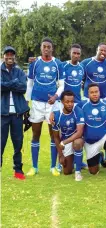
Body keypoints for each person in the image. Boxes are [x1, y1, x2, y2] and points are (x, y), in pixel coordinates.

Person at [26, 37, 65, 176]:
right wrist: (26, 102)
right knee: (35, 134)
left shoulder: (57, 63)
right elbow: (29, 84)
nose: (46, 49)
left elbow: (61, 85)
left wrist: (55, 97)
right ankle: (34, 167)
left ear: (52, 48)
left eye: (49, 46)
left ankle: (53, 167)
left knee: (53, 135)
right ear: (41, 48)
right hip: (36, 103)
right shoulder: (35, 63)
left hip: (52, 105)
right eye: (44, 46)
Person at [81, 43, 106, 165]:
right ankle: (89, 152)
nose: (103, 52)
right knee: (85, 123)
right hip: (87, 98)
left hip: (104, 98)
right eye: (101, 50)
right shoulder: (87, 63)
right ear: (96, 50)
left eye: (105, 51)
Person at [1, 46, 29, 180]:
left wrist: (7, 84)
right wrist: (14, 83)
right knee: (1, 143)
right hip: (3, 113)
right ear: (3, 56)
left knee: (18, 143)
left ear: (14, 57)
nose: (9, 56)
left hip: (17, 114)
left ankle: (18, 170)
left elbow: (23, 88)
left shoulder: (19, 71)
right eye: (7, 54)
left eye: (12, 54)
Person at [52, 91, 85, 181]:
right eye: (67, 102)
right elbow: (56, 137)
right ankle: (76, 161)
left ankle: (78, 172)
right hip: (65, 143)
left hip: (76, 139)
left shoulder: (77, 111)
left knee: (77, 143)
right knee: (67, 172)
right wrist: (61, 155)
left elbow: (79, 132)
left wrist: (64, 142)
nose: (70, 104)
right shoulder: (57, 115)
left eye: (72, 101)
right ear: (62, 102)